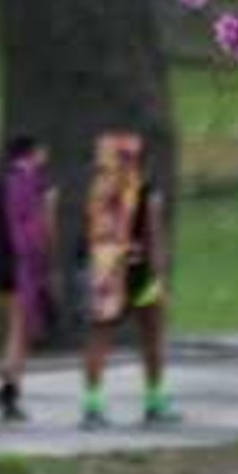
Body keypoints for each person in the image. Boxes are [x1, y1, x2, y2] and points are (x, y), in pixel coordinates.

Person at [79, 130, 178, 429]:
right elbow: (153, 237)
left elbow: (89, 235)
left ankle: (93, 406)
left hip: (106, 270)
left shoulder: (98, 194)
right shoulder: (146, 191)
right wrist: (160, 276)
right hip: (140, 270)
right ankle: (155, 402)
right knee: (152, 336)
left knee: (100, 338)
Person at [0, 134, 57, 422]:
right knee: (19, 333)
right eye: (43, 152)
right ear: (34, 153)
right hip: (23, 264)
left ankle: (8, 384)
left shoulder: (2, 180)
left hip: (1, 262)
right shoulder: (35, 182)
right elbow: (43, 227)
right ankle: (10, 389)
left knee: (11, 329)